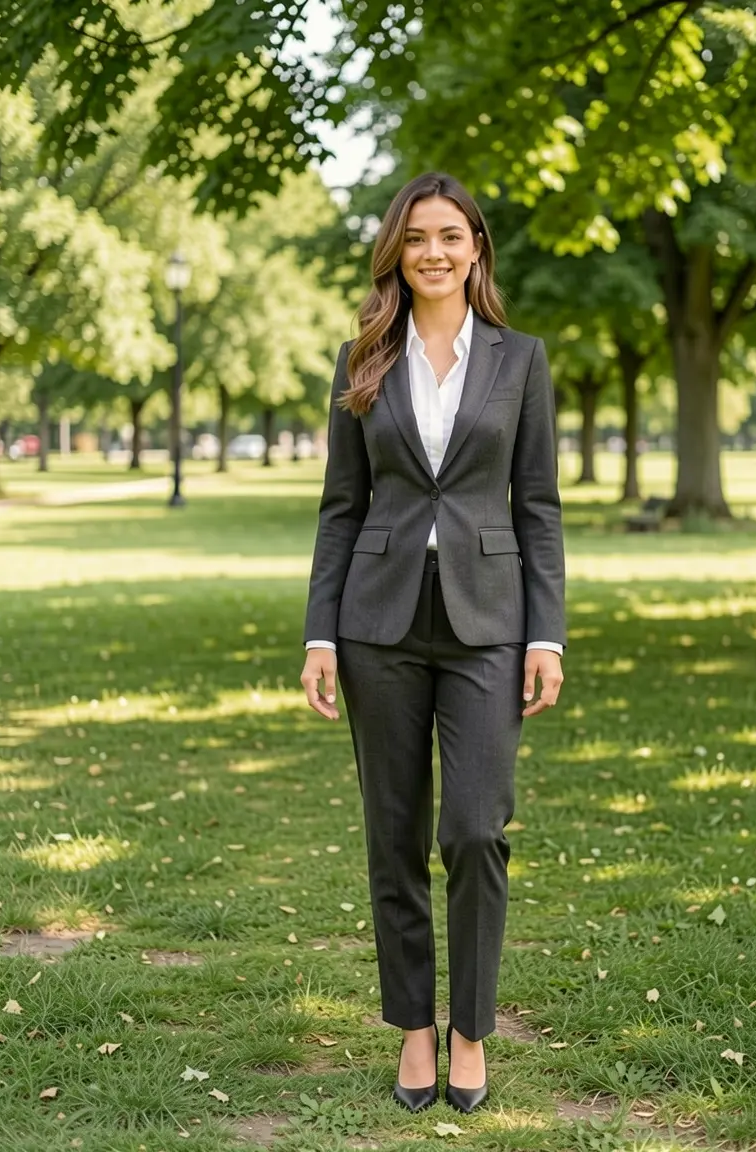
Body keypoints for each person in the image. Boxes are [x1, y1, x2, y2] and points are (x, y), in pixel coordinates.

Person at [300, 172, 566, 1115]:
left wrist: (548, 636)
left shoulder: (520, 358)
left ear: (477, 247)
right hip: (377, 624)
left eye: (450, 235)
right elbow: (342, 509)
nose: (434, 252)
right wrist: (320, 633)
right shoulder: (361, 358)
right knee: (395, 835)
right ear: (396, 253)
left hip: (490, 625)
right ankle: (415, 1032)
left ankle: (471, 1031)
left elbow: (537, 508)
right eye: (416, 238)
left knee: (475, 831)